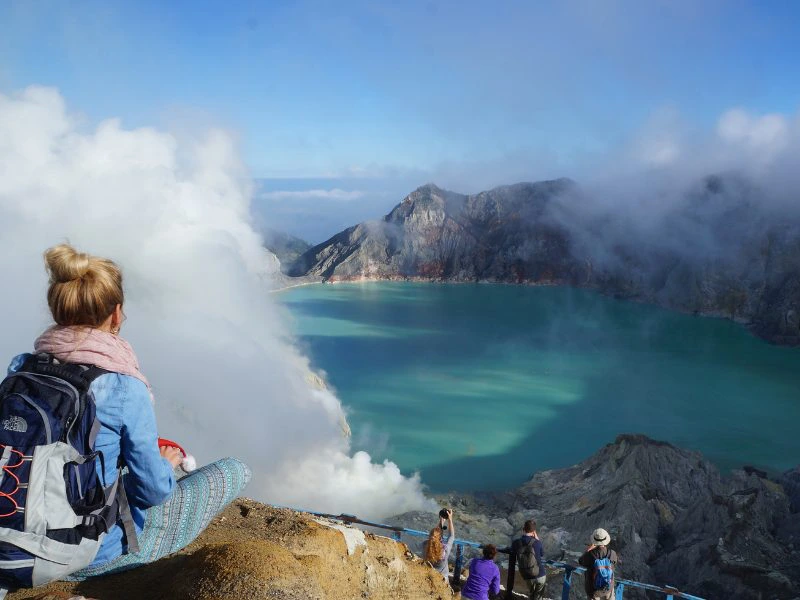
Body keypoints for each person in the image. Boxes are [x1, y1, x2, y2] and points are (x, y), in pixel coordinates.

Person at [8, 244, 252, 579]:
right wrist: (165, 466)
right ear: (117, 314)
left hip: (7, 544)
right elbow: (150, 492)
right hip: (84, 555)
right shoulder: (123, 387)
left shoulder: (20, 369)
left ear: (56, 310)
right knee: (234, 470)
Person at [578, 528, 619, 600]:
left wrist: (588, 550)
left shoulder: (590, 554)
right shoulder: (612, 553)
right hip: (608, 588)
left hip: (593, 590)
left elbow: (581, 561)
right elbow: (615, 562)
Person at [511, 519, 546, 599]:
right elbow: (542, 554)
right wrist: (537, 539)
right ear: (534, 531)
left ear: (523, 529)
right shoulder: (537, 542)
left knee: (532, 594)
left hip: (527, 575)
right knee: (538, 597)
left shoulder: (516, 543)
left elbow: (512, 551)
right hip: (540, 574)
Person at [423, 508, 455, 580]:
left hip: (428, 577)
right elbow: (451, 536)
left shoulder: (424, 545)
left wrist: (441, 521)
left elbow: (435, 538)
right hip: (442, 579)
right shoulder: (444, 551)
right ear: (440, 539)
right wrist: (450, 519)